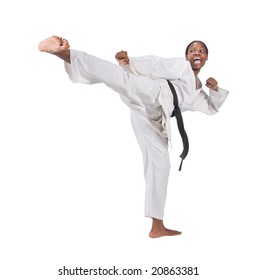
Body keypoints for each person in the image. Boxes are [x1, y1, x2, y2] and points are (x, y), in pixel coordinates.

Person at [38, 36, 229, 238]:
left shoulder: (198, 92)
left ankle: (157, 226)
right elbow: (157, 65)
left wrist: (214, 89)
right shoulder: (181, 67)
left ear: (206, 57)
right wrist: (130, 63)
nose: (196, 53)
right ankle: (61, 52)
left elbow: (211, 107)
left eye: (201, 51)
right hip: (154, 93)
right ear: (186, 56)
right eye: (192, 50)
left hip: (154, 119)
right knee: (118, 78)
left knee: (160, 164)